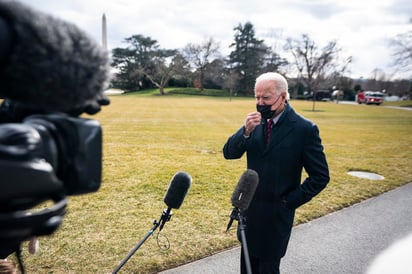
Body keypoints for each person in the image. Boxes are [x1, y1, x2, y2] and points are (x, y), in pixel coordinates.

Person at [223, 72, 330, 273]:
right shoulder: (255, 122)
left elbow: (321, 176)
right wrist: (245, 132)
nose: (260, 102)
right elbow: (229, 153)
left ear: (283, 96)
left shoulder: (304, 129)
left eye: (266, 98)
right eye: (257, 97)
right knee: (247, 267)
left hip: (276, 217)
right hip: (250, 214)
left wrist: (289, 202)